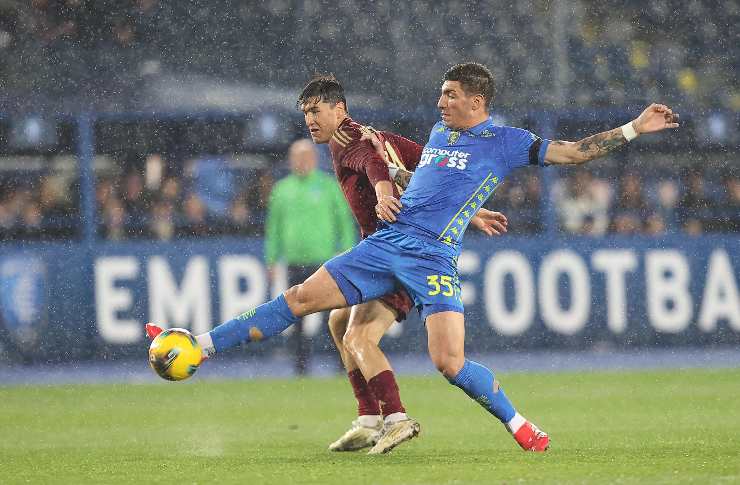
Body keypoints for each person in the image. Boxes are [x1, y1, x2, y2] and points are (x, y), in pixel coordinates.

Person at [148, 62, 679, 454]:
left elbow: (571, 152)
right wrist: (460, 208)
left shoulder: (508, 141)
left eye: (449, 96)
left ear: (477, 99)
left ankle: (519, 425)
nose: (441, 103)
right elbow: (415, 177)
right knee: (303, 302)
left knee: (447, 362)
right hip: (389, 243)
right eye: (440, 95)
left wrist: (634, 128)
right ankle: (202, 345)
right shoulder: (437, 133)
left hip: (436, 261)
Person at [298, 75, 510, 453]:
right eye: (305, 113)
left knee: (357, 337)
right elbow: (428, 173)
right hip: (384, 248)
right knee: (337, 320)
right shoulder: (380, 138)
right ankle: (368, 418)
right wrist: (473, 212)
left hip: (398, 251)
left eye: (315, 110)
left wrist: (383, 189)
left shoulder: (353, 141)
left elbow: (380, 169)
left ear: (339, 109)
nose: (310, 120)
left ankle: (395, 418)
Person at [264, 139, 357, 375]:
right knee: (296, 317)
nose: (302, 162)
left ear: (315, 159)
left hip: (325, 263)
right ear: (290, 160)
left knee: (334, 316)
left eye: (305, 157)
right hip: (295, 262)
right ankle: (301, 366)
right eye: (297, 158)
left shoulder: (328, 186)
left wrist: (349, 252)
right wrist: (271, 259)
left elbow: (344, 221)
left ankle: (342, 363)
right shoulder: (281, 189)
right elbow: (273, 228)